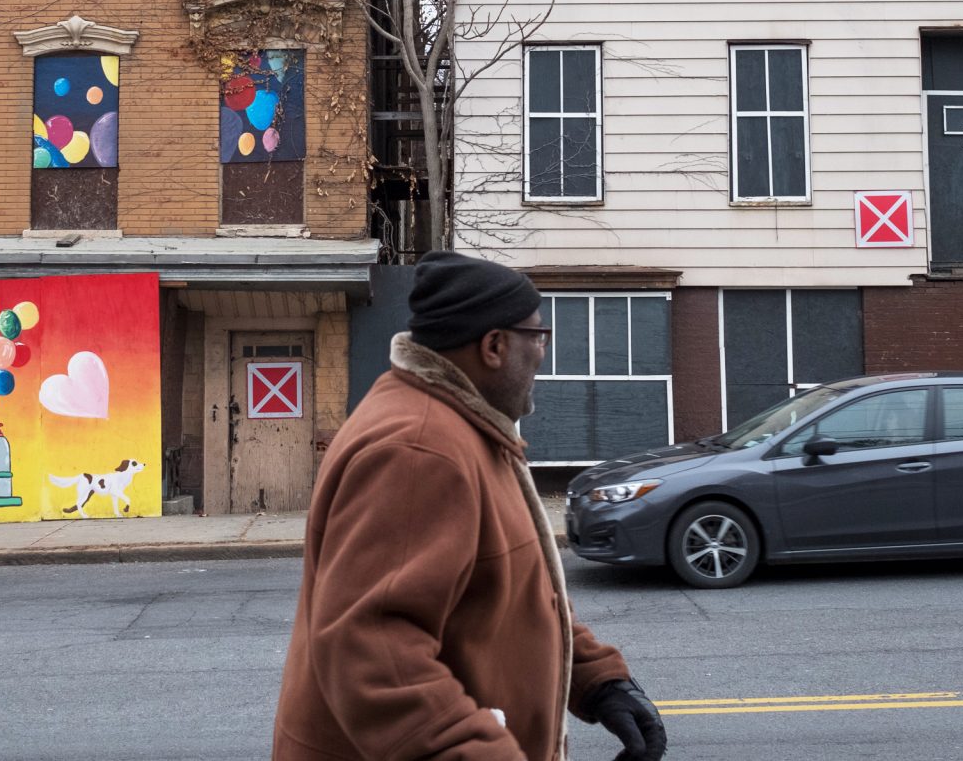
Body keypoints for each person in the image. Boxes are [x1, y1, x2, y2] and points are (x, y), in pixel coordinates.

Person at [272, 250, 668, 761]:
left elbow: (514, 597)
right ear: (495, 345)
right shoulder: (418, 450)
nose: (543, 353)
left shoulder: (463, 428)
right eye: (538, 336)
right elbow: (371, 649)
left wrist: (597, 680)